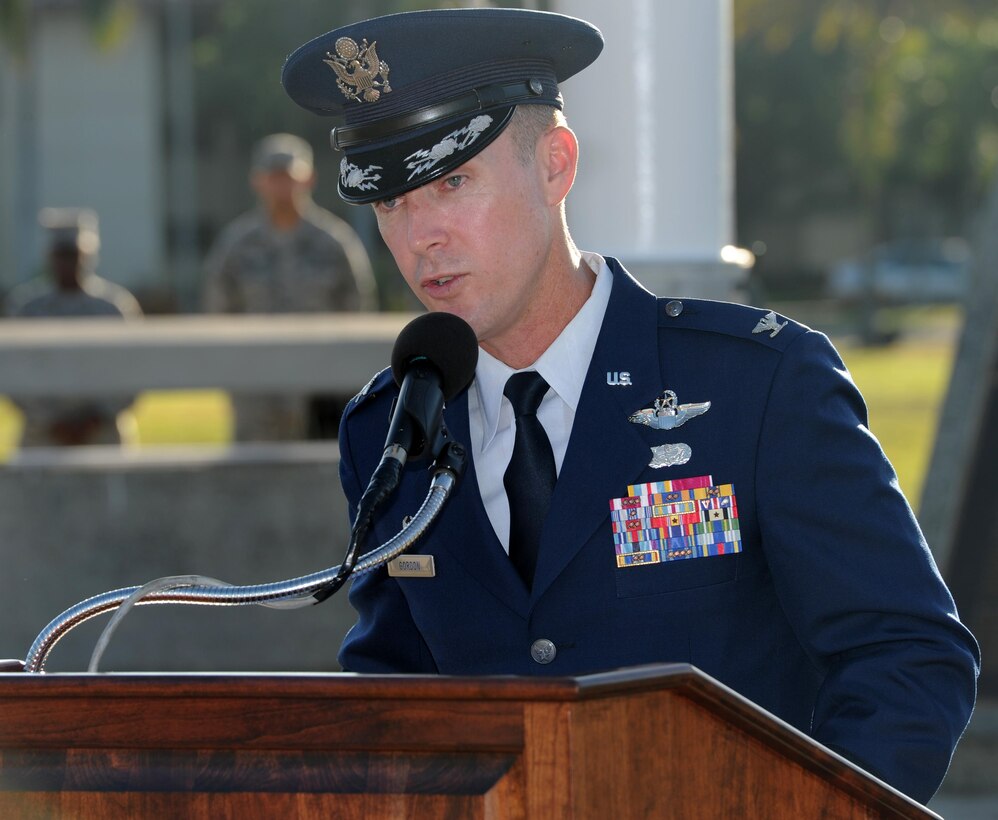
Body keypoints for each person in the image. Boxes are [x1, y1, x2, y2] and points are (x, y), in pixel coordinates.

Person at [281, 8, 979, 804]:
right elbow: (395, 693)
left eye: (452, 182)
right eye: (391, 204)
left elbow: (907, 656)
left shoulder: (759, 385)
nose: (421, 237)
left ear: (555, 164)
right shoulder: (392, 431)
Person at [202, 132, 378, 441]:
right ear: (257, 181)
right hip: (256, 392)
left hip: (321, 392)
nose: (282, 187)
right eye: (274, 178)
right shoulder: (236, 246)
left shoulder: (335, 243)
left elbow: (358, 311)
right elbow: (218, 314)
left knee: (327, 478)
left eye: (289, 177)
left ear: (308, 179)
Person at [4, 208, 143, 447]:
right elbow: (11, 372)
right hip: (43, 434)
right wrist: (51, 422)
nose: (68, 262)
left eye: (74, 254)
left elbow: (134, 370)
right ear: (49, 256)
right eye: (61, 254)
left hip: (102, 431)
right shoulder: (28, 308)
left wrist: (95, 419)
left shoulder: (114, 306)